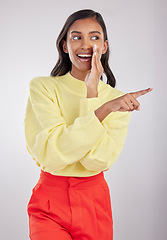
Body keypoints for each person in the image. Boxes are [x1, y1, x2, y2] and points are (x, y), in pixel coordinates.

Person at [24, 9, 153, 240]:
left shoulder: (118, 99)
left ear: (104, 46)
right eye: (76, 37)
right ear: (65, 46)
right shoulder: (43, 88)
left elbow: (96, 161)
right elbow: (54, 155)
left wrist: (92, 92)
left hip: (94, 202)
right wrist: (103, 109)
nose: (86, 45)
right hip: (49, 202)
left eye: (94, 37)